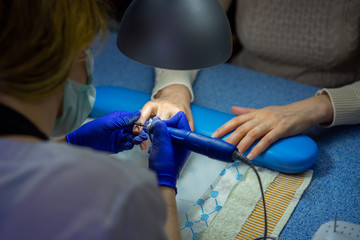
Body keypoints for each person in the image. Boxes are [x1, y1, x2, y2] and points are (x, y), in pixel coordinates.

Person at [0, 1, 190, 239]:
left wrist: (68, 144)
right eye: (86, 50)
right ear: (61, 59)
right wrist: (163, 185)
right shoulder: (113, 196)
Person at [134, 0, 360, 160]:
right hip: (239, 83)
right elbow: (183, 25)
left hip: (335, 106)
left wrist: (318, 107)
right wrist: (174, 90)